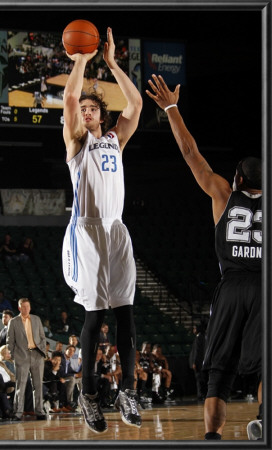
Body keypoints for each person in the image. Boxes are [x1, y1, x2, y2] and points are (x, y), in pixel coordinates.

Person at [146, 74, 262, 441]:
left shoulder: (224, 194)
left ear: (238, 179)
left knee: (219, 373)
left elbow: (191, 153)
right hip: (264, 286)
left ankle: (213, 438)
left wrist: (171, 108)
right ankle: (265, 419)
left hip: (231, 287)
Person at [61, 27, 143, 433]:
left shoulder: (115, 140)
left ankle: (127, 390)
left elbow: (137, 103)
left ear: (103, 114)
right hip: (87, 232)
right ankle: (88, 395)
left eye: (94, 108)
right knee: (94, 317)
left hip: (116, 230)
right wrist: (80, 61)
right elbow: (71, 98)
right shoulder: (77, 142)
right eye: (86, 109)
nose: (88, 111)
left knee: (126, 314)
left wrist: (113, 64)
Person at [7, 297, 46, 420]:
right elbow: (10, 341)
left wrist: (42, 352)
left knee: (38, 385)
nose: (26, 309)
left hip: (37, 355)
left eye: (28, 306)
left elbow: (42, 337)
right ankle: (18, 413)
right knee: (21, 385)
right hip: (21, 356)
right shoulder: (13, 322)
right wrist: (14, 356)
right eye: (23, 307)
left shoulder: (36, 319)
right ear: (19, 308)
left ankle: (39, 412)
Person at [189, 323, 208, 401]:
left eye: (194, 328)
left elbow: (197, 352)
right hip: (202, 362)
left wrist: (194, 362)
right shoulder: (203, 337)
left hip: (198, 363)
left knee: (199, 379)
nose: (193, 330)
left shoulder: (199, 338)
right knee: (202, 379)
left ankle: (200, 395)